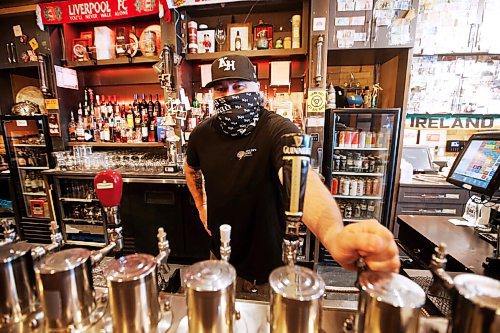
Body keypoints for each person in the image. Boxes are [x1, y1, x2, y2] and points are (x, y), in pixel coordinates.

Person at [184, 55, 399, 292]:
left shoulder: (278, 130)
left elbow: (302, 180)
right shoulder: (201, 135)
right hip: (221, 258)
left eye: (239, 86)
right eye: (221, 89)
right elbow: (190, 167)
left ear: (257, 87)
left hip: (271, 268)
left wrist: (334, 234)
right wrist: (201, 207)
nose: (230, 95)